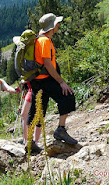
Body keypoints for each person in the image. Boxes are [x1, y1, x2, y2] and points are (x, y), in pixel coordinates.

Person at [27, 13, 77, 152]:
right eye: (57, 23)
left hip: (37, 81)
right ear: (52, 26)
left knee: (37, 110)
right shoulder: (45, 41)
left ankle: (29, 142)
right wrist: (61, 82)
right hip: (46, 80)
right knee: (67, 96)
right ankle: (60, 130)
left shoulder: (38, 39)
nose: (59, 25)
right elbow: (48, 64)